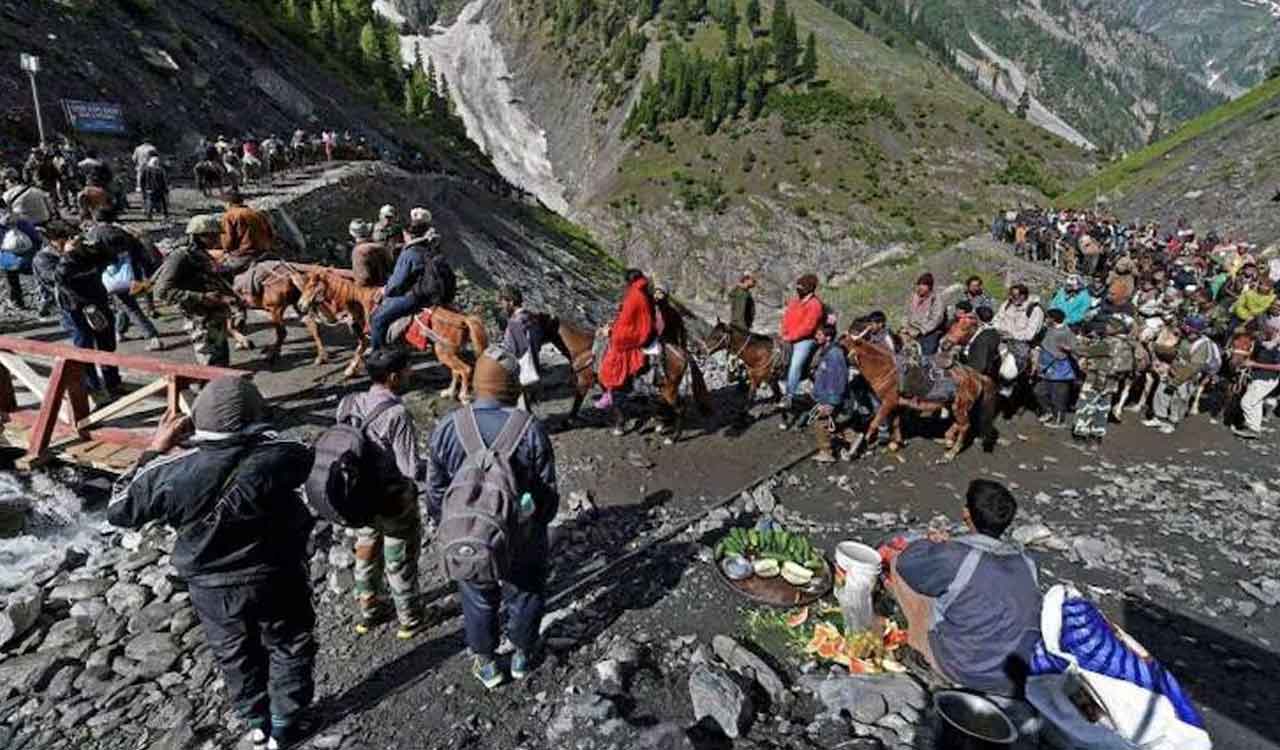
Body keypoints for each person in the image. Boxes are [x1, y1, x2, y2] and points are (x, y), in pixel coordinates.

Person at [108, 378, 317, 750]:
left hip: (211, 584)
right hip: (276, 570)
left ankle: (256, 724)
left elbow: (119, 508)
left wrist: (155, 449)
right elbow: (301, 450)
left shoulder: (168, 473)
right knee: (289, 643)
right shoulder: (283, 454)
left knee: (233, 652)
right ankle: (286, 723)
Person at [427, 348, 559, 689]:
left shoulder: (448, 426)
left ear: (477, 381)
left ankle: (486, 662)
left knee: (477, 592)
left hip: (471, 534)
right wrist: (538, 521)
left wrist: (452, 522)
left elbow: (435, 490)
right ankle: (521, 654)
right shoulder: (529, 429)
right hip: (521, 532)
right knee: (527, 589)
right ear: (512, 386)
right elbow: (546, 494)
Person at [886, 479, 1041, 696]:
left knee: (897, 562)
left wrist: (934, 544)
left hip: (962, 669)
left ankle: (918, 648)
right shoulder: (1028, 563)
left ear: (966, 514)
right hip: (1011, 678)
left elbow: (906, 562)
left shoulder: (957, 556)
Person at [335, 349, 427, 638]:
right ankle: (410, 619)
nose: (411, 374)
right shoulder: (396, 413)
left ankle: (370, 611)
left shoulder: (349, 402)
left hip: (358, 497)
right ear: (393, 377)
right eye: (407, 370)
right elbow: (410, 468)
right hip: (393, 500)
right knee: (398, 557)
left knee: (366, 551)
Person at [153, 215, 237, 366]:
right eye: (212, 235)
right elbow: (162, 290)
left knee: (221, 360)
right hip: (200, 319)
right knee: (209, 364)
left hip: (215, 318)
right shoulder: (180, 256)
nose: (217, 238)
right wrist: (202, 297)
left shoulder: (201, 254)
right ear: (199, 236)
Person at [82, 208, 164, 351]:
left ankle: (152, 336)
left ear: (95, 219)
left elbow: (88, 257)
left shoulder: (94, 234)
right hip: (131, 274)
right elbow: (139, 251)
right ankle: (120, 331)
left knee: (129, 306)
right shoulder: (123, 231)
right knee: (124, 302)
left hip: (111, 276)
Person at [370, 208, 449, 350]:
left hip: (414, 297)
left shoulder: (410, 253)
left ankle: (379, 354)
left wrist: (384, 290)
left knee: (377, 319)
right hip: (431, 294)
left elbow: (397, 282)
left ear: (408, 234)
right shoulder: (431, 247)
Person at [596, 269, 655, 411]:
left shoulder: (634, 295)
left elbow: (626, 322)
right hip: (640, 330)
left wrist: (610, 331)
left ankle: (611, 389)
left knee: (612, 352)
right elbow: (626, 318)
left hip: (635, 334)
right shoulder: (641, 292)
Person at [1145, 317, 1212, 434]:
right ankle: (1159, 418)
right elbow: (1175, 352)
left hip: (1185, 378)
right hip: (1173, 371)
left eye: (1187, 328)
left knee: (1178, 400)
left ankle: (1172, 423)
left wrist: (1176, 382)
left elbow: (1193, 368)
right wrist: (1156, 347)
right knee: (1161, 393)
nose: (1184, 330)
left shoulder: (1202, 345)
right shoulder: (1185, 339)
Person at [1072, 317, 1131, 441]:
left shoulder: (1107, 343)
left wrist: (1081, 341)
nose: (1106, 327)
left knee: (1086, 403)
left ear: (1115, 329)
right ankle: (1098, 432)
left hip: (1097, 378)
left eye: (1109, 325)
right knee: (1103, 407)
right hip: (1112, 380)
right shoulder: (1126, 343)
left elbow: (1083, 351)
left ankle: (1081, 431)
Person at [779, 273, 824, 427]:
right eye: (797, 287)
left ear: (809, 289)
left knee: (796, 363)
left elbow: (809, 326)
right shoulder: (795, 302)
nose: (798, 290)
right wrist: (784, 332)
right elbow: (786, 317)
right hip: (788, 336)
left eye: (801, 287)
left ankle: (789, 395)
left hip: (805, 339)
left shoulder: (815, 305)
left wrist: (791, 337)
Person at [810, 324, 850, 463]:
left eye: (819, 335)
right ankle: (850, 438)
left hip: (830, 398)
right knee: (827, 422)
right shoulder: (826, 351)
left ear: (828, 337)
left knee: (820, 423)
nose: (816, 337)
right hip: (824, 397)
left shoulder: (834, 354)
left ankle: (827, 452)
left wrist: (831, 402)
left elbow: (837, 379)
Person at [498, 284, 542, 409]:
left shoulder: (514, 323)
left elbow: (513, 350)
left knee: (521, 407)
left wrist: (500, 348)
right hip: (534, 366)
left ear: (511, 302)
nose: (502, 306)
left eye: (503, 302)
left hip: (521, 371)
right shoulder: (531, 317)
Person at [1234, 321, 1280, 439]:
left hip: (1267, 379)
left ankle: (1253, 428)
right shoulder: (1263, 341)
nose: (1264, 331)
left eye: (1268, 329)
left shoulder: (1278, 347)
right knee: (1256, 402)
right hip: (1258, 376)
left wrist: (1255, 365)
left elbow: (1278, 367)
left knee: (1246, 402)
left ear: (1275, 330)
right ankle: (1254, 427)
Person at [1034, 309, 1075, 428]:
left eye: (1048, 318)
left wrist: (1067, 348)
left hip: (1060, 369)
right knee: (1039, 391)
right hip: (1046, 367)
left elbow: (1074, 346)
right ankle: (1048, 412)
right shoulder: (1048, 329)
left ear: (1053, 319)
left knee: (1058, 397)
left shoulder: (1066, 332)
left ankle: (1059, 420)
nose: (1046, 320)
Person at [993, 284, 1043, 372]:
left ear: (1023, 296)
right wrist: (999, 330)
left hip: (1022, 344)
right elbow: (997, 319)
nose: (1011, 298)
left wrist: (1012, 335)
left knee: (1014, 365)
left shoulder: (1035, 310)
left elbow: (1030, 334)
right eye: (1011, 295)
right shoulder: (1007, 304)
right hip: (1002, 340)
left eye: (1014, 295)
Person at [904, 273, 945, 356]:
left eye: (924, 285)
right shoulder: (913, 297)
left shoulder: (936, 299)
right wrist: (905, 327)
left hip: (929, 332)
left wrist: (921, 330)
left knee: (926, 355)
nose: (920, 287)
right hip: (911, 329)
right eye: (919, 284)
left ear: (929, 287)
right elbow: (906, 313)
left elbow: (936, 319)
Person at [349, 219, 392, 288]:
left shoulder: (358, 252)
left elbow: (364, 278)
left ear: (353, 235)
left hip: (371, 292)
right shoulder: (381, 247)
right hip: (386, 286)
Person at [960, 306, 1001, 379]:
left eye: (974, 317)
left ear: (978, 319)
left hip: (971, 370)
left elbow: (979, 365)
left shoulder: (982, 340)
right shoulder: (992, 331)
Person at [139, 156, 169, 221]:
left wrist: (143, 188)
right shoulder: (160, 170)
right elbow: (163, 181)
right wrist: (165, 189)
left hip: (149, 188)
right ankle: (165, 214)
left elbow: (142, 180)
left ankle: (149, 215)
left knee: (150, 202)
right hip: (159, 189)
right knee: (162, 202)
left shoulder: (146, 169)